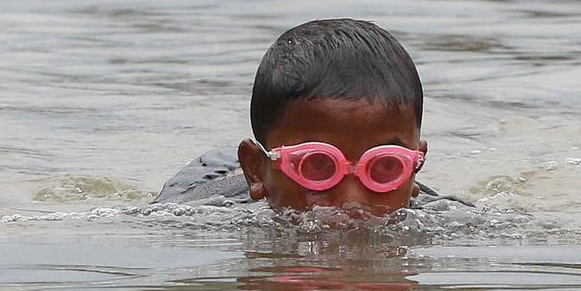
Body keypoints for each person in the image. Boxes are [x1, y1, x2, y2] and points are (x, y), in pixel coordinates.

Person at [155, 18, 465, 212]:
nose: (352, 203)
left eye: (385, 167)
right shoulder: (192, 211)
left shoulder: (447, 217)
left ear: (414, 169)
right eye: (317, 165)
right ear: (255, 170)